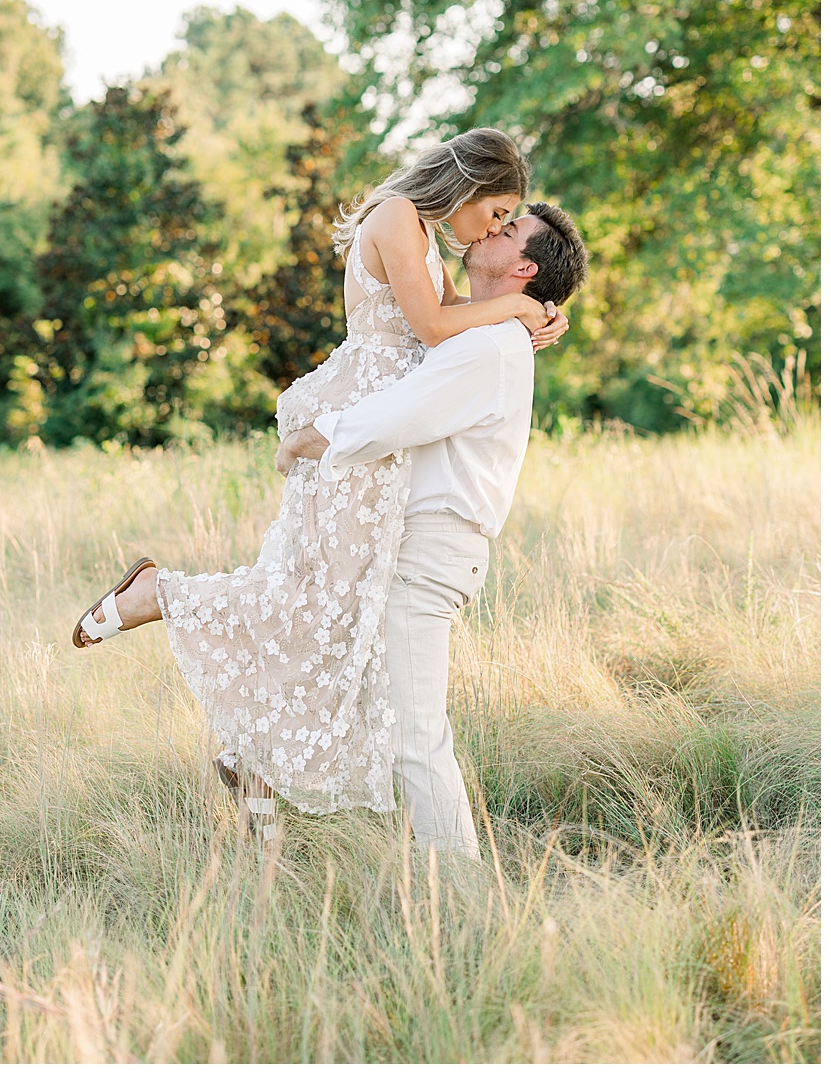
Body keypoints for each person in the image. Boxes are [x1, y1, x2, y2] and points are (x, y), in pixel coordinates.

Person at [72, 129, 564, 839]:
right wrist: (521, 309)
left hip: (382, 439)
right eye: (494, 213)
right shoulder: (397, 215)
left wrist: (543, 310)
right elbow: (431, 327)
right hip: (357, 423)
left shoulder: (426, 237)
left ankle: (256, 758)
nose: (489, 230)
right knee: (319, 597)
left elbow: (460, 322)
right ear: (464, 183)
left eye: (503, 223)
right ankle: (158, 593)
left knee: (336, 612)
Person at [275, 202, 589, 857]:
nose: (490, 229)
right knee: (372, 708)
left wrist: (308, 438)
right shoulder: (486, 333)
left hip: (433, 552)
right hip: (420, 547)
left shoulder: (489, 346)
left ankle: (461, 904)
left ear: (523, 267)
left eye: (507, 230)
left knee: (416, 737)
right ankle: (256, 771)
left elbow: (394, 418)